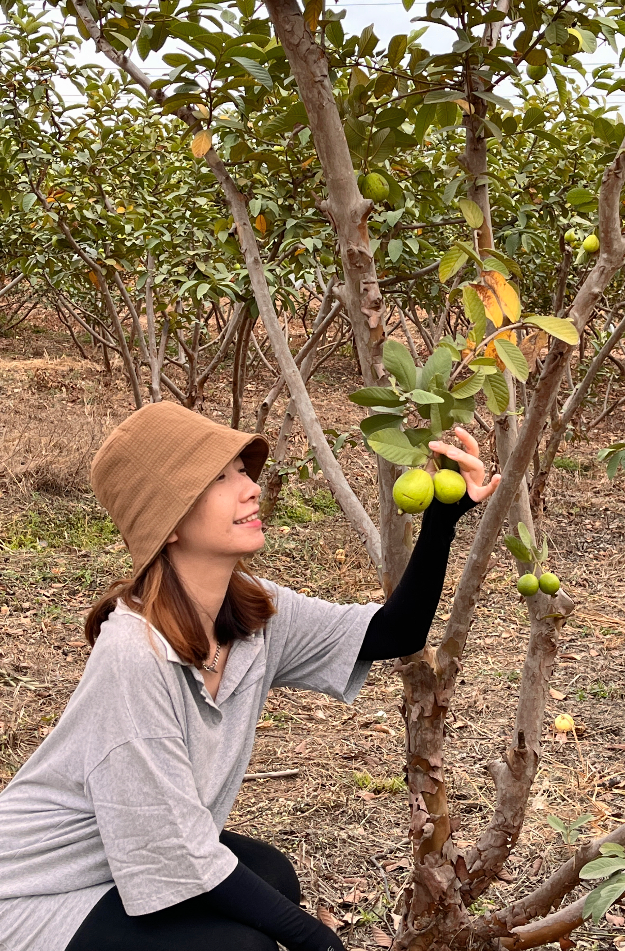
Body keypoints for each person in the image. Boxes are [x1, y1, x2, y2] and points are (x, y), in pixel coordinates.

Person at [0, 401, 500, 951]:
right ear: (167, 523)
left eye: (242, 470)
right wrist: (319, 941)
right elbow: (176, 848)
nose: (250, 488)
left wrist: (444, 517)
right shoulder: (134, 655)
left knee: (273, 878)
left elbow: (394, 632)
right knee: (246, 946)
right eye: (220, 477)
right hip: (39, 892)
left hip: (127, 859)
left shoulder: (251, 613)